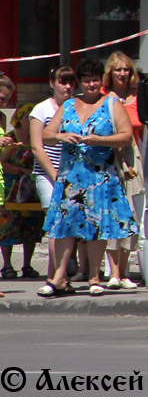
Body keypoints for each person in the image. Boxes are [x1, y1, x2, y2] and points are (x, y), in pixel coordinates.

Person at [38, 57, 138, 298]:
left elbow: (126, 136)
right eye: (86, 81)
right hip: (71, 176)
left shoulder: (112, 103)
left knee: (96, 227)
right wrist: (63, 136)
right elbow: (47, 135)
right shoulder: (70, 105)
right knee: (63, 226)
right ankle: (58, 278)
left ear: (100, 81)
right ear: (79, 83)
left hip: (100, 177)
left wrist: (100, 140)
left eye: (94, 80)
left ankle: (94, 276)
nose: (91, 85)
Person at [29, 66, 77, 286]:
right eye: (62, 82)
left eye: (71, 82)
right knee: (55, 222)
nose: (67, 87)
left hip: (72, 174)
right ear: (52, 83)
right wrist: (55, 175)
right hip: (48, 174)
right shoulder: (41, 110)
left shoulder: (77, 107)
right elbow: (37, 147)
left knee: (66, 225)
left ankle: (61, 275)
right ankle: (54, 277)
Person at [101, 52, 142, 290]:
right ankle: (113, 272)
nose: (123, 73)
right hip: (108, 156)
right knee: (111, 213)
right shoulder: (104, 98)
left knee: (131, 215)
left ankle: (125, 271)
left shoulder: (136, 97)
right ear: (110, 73)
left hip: (133, 157)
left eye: (126, 69)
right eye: (118, 69)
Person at [0, 103, 43, 281]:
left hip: (32, 190)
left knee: (31, 226)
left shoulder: (38, 138)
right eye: (28, 116)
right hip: (12, 188)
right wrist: (23, 172)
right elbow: (2, 163)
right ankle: (7, 265)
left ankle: (27, 264)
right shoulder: (10, 138)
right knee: (8, 227)